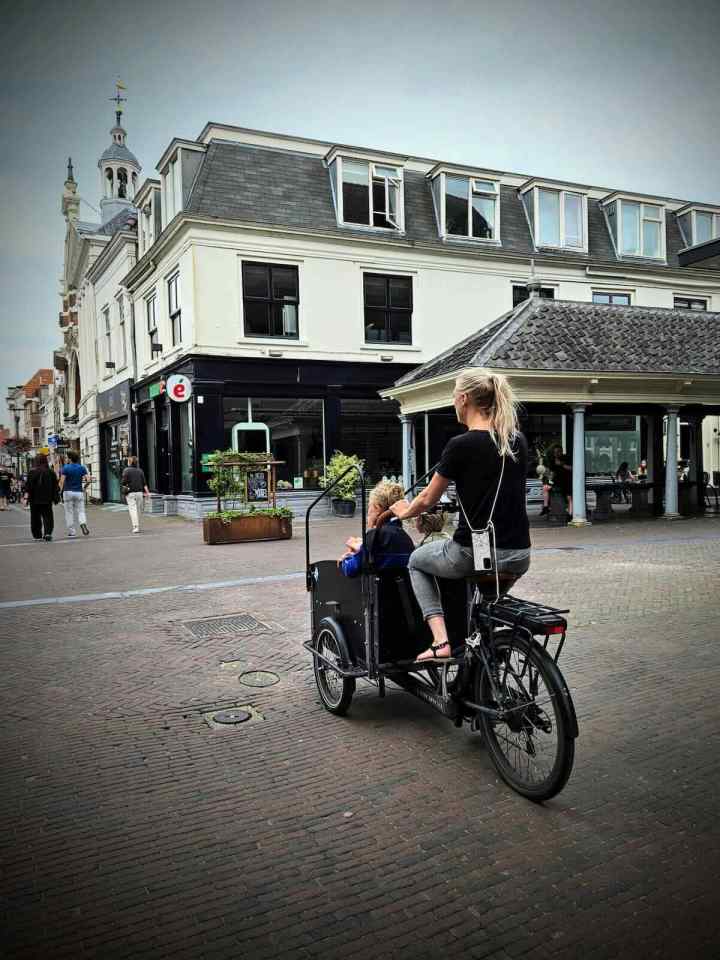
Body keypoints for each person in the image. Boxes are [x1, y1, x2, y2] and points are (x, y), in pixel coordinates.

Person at [378, 368, 531, 661]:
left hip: (473, 552)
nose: (453, 403)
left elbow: (426, 499)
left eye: (453, 397)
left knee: (417, 562)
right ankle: (484, 653)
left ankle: (440, 641)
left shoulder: (460, 445)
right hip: (519, 553)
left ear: (463, 398)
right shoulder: (517, 441)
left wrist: (403, 510)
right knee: (482, 606)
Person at [338, 481, 414, 577]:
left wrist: (345, 559)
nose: (368, 512)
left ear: (377, 508)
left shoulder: (376, 536)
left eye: (369, 506)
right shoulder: (405, 537)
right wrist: (362, 547)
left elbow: (351, 569)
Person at [24, 453, 60, 541]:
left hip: (34, 499)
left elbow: (28, 487)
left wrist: (25, 498)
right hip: (47, 499)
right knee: (48, 516)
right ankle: (48, 533)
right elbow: (55, 486)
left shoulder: (32, 472)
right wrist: (55, 497)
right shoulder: (51, 472)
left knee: (35, 517)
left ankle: (37, 535)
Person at [60, 450, 90, 537]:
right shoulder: (81, 468)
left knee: (69, 512)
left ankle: (72, 531)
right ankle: (83, 523)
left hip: (68, 492)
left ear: (69, 458)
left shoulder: (65, 468)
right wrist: (84, 488)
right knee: (81, 511)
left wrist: (60, 492)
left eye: (67, 457)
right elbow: (88, 480)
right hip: (79, 492)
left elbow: (62, 482)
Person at [121, 456, 150, 534]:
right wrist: (147, 493)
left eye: (128, 461)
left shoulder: (126, 470)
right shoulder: (140, 471)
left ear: (130, 462)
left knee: (133, 509)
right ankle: (137, 525)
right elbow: (144, 483)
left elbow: (123, 482)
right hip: (139, 493)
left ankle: (136, 527)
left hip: (130, 493)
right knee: (138, 510)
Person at [548, 444, 573, 517]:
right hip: (557, 481)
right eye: (555, 452)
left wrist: (561, 464)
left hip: (567, 480)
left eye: (558, 452)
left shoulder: (566, 458)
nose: (556, 454)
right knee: (548, 490)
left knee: (569, 497)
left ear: (561, 451)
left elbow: (572, 468)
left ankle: (570, 514)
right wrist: (549, 482)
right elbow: (552, 473)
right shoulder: (553, 461)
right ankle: (549, 508)